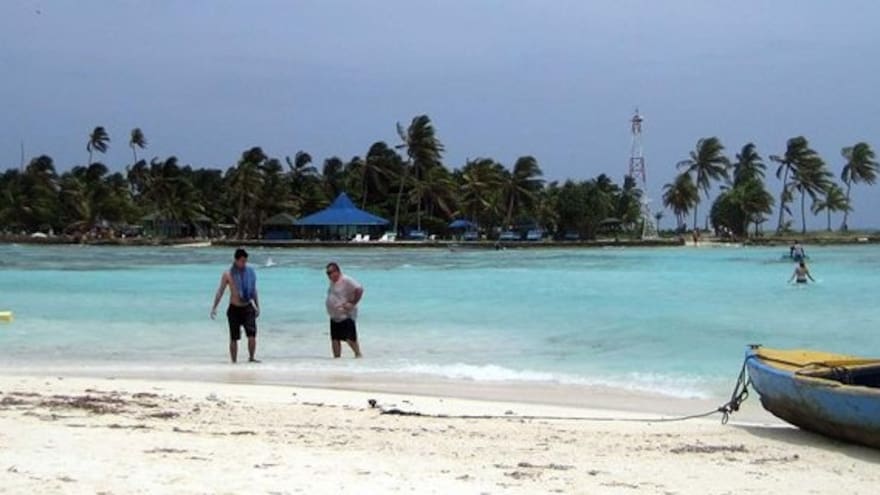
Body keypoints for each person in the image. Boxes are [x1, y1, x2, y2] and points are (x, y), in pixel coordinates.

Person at [211, 249, 260, 363]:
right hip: (234, 309)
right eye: (242, 261)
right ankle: (234, 362)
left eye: (245, 261)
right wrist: (214, 307)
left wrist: (257, 306)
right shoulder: (228, 274)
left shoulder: (250, 272)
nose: (244, 264)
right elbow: (220, 291)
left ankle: (251, 358)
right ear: (236, 260)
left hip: (248, 307)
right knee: (234, 338)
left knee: (252, 335)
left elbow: (254, 290)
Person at [325, 262, 364, 358]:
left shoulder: (346, 280)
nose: (329, 275)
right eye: (327, 273)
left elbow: (359, 289)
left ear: (337, 271)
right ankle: (337, 361)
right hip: (334, 316)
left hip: (346, 315)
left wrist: (352, 303)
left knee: (350, 339)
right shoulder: (333, 282)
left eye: (330, 273)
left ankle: (358, 355)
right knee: (335, 339)